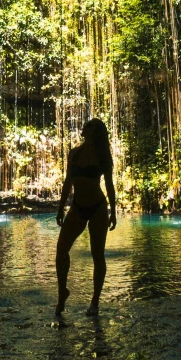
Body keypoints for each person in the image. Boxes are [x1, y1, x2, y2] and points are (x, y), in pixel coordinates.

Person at [55, 118, 116, 316]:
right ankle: (62, 291)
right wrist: (60, 208)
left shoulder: (102, 155)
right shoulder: (75, 153)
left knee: (97, 255)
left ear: (96, 132)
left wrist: (113, 211)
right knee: (61, 250)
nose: (85, 127)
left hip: (98, 208)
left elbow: (108, 185)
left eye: (89, 125)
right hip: (77, 207)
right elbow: (67, 183)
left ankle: (95, 301)